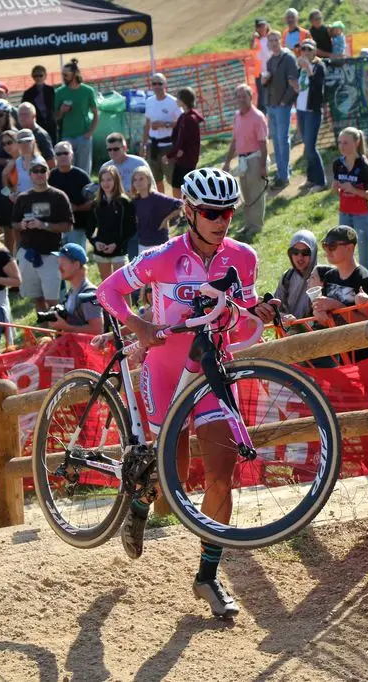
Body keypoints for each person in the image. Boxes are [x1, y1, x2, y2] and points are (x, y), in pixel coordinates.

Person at [95, 167, 278, 619]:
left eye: (228, 212)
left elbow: (243, 313)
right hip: (164, 371)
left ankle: (207, 578)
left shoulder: (244, 256)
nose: (222, 220)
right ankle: (139, 498)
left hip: (210, 374)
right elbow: (108, 290)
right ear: (191, 212)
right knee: (165, 480)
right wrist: (139, 327)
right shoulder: (161, 256)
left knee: (222, 473)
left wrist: (264, 312)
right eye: (212, 212)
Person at [12, 160, 74, 312]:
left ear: (48, 173)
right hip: (28, 254)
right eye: (35, 171)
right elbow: (14, 223)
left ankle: (58, 332)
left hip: (51, 254)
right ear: (30, 174)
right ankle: (45, 331)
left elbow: (68, 225)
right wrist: (23, 225)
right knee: (37, 298)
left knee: (53, 300)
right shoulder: (23, 198)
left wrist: (44, 225)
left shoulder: (59, 196)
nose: (39, 174)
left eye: (42, 170)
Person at [222, 84, 268, 241]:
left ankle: (256, 226)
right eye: (238, 96)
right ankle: (248, 224)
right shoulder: (237, 116)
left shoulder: (258, 117)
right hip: (242, 160)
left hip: (255, 158)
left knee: (256, 194)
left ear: (250, 97)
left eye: (244, 96)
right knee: (246, 193)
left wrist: (262, 166)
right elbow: (234, 140)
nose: (241, 99)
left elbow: (263, 143)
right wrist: (227, 161)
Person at [333, 127, 368, 273]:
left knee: (364, 258)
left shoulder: (365, 166)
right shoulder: (337, 164)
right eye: (339, 142)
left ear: (356, 143)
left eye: (345, 143)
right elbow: (336, 190)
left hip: (361, 215)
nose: (341, 146)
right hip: (344, 213)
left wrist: (353, 189)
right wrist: (335, 187)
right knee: (343, 255)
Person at [263, 31, 299, 190]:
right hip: (272, 105)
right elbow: (269, 84)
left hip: (282, 107)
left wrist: (285, 102)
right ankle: (283, 171)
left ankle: (283, 176)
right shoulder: (270, 61)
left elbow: (294, 84)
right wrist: (264, 81)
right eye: (270, 40)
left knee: (282, 140)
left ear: (280, 40)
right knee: (277, 141)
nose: (273, 43)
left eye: (275, 40)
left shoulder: (289, 58)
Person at [43, 243, 102, 335]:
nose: (59, 268)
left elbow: (97, 330)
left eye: (63, 263)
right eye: (59, 263)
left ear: (76, 265)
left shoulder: (89, 294)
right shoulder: (71, 291)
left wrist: (66, 327)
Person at [91, 166, 137, 280]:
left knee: (123, 287)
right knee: (106, 288)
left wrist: (117, 244)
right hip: (101, 252)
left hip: (119, 252)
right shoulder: (96, 204)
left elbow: (131, 228)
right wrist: (95, 242)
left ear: (116, 180)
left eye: (109, 179)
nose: (106, 183)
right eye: (103, 180)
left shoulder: (125, 202)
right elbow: (89, 227)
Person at [55, 58, 100, 175]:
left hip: (83, 136)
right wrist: (61, 111)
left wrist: (90, 133)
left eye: (66, 74)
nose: (63, 77)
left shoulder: (88, 91)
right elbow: (55, 117)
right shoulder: (59, 92)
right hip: (67, 137)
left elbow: (96, 113)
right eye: (62, 74)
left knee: (84, 170)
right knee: (67, 170)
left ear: (74, 74)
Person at [48, 141, 95, 249]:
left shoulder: (82, 176)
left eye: (65, 153)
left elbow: (93, 201)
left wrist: (77, 208)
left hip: (77, 226)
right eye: (59, 154)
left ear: (72, 155)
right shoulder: (50, 176)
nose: (62, 156)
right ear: (55, 157)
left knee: (76, 261)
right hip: (55, 227)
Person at [141, 73, 181, 194]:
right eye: (154, 83)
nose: (157, 86)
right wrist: (143, 144)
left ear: (165, 85)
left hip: (169, 146)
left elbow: (182, 123)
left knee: (174, 181)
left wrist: (165, 124)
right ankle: (163, 206)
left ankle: (179, 207)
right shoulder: (149, 101)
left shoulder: (173, 102)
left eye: (160, 83)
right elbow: (147, 124)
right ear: (151, 86)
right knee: (156, 180)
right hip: (152, 146)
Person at [295, 39, 326, 191]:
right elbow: (298, 86)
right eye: (304, 49)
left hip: (312, 111)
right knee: (307, 147)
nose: (306, 52)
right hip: (301, 110)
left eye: (309, 49)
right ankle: (311, 178)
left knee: (311, 147)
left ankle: (320, 181)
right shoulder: (299, 67)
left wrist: (308, 69)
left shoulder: (319, 66)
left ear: (314, 51)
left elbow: (317, 87)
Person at [131, 165, 182, 253]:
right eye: (135, 180)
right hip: (143, 244)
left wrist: (166, 220)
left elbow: (180, 204)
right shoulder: (135, 201)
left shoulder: (157, 198)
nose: (138, 182)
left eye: (141, 179)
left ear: (148, 180)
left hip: (160, 244)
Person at [165, 87, 203, 199]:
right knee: (176, 185)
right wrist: (176, 151)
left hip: (188, 159)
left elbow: (183, 140)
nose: (176, 100)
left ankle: (187, 210)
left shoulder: (190, 119)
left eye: (178, 98)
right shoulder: (183, 116)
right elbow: (175, 135)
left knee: (186, 187)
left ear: (183, 101)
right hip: (181, 159)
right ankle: (180, 208)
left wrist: (169, 155)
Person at [274, 229, 318, 321]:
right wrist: (284, 317)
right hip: (290, 331)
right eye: (295, 252)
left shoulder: (323, 276)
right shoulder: (287, 277)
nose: (300, 257)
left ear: (313, 253)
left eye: (305, 253)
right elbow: (276, 308)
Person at [22, 65, 57, 143]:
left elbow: (55, 107)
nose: (38, 78)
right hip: (37, 126)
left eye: (40, 75)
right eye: (35, 76)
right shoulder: (28, 93)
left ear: (45, 76)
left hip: (51, 125)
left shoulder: (51, 90)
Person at [17, 103, 55, 167]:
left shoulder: (41, 135)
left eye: (26, 115)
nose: (22, 118)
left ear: (34, 116)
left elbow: (52, 162)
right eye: (20, 115)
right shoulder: (20, 134)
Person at [250, 18, 272, 112]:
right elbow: (252, 47)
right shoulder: (256, 40)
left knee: (274, 95)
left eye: (263, 25)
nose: (262, 28)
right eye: (259, 26)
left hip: (273, 70)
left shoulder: (271, 37)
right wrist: (254, 37)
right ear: (256, 28)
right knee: (262, 99)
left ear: (267, 26)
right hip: (260, 73)